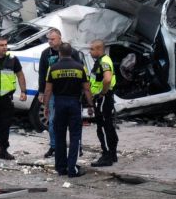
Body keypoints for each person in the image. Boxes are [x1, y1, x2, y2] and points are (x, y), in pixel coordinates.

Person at [40, 43, 94, 178]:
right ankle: (72, 169)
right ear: (71, 53)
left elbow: (48, 90)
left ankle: (61, 168)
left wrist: (46, 107)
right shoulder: (80, 68)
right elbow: (87, 89)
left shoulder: (52, 68)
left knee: (59, 136)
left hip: (59, 104)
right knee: (75, 136)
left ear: (59, 53)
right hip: (74, 103)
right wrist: (91, 105)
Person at [36, 28, 82, 158]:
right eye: (48, 39)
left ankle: (72, 149)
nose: (49, 42)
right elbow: (42, 74)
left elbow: (80, 71)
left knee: (71, 122)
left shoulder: (70, 52)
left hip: (70, 92)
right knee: (52, 121)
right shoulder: (46, 54)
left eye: (52, 39)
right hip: (53, 92)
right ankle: (54, 146)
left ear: (60, 38)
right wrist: (41, 92)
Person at [88, 40, 118, 167]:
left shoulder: (104, 61)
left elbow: (107, 79)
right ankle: (112, 153)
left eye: (92, 49)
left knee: (103, 127)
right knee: (108, 125)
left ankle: (107, 155)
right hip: (103, 98)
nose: (90, 52)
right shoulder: (100, 61)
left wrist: (102, 93)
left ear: (99, 50)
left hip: (103, 98)